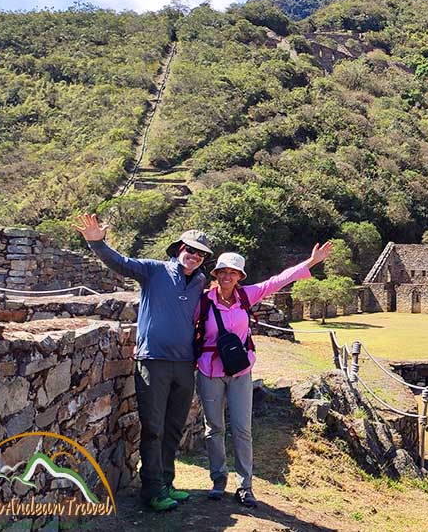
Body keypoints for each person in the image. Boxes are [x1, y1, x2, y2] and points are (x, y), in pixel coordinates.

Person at [73, 213, 212, 512]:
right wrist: (97, 243)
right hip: (153, 361)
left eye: (201, 254)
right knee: (154, 428)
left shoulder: (200, 281)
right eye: (190, 250)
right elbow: (121, 263)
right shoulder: (154, 271)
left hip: (185, 364)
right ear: (178, 249)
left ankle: (167, 483)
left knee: (174, 427)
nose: (195, 257)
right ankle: (151, 491)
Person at [196, 242, 332, 507]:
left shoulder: (247, 295)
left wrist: (311, 262)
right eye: (223, 271)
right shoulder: (202, 301)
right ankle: (218, 480)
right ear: (216, 274)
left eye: (233, 273)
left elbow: (278, 280)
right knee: (214, 428)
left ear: (239, 277)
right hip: (209, 370)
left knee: (242, 429)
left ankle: (244, 486)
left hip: (240, 371)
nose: (227, 276)